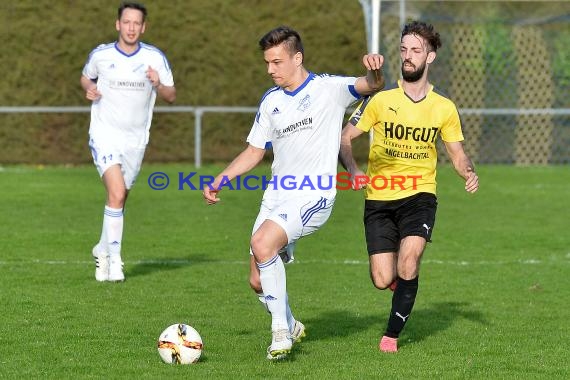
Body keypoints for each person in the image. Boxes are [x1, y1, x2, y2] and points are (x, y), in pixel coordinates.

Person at [202, 26, 384, 360]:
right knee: (257, 282)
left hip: (314, 195)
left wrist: (374, 69)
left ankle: (281, 335)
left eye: (277, 62)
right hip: (277, 196)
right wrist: (220, 179)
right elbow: (254, 152)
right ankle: (291, 322)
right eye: (267, 63)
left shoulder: (327, 88)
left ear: (296, 58)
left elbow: (370, 85)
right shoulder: (270, 102)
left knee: (261, 243)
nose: (270, 69)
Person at [339, 20, 479, 353]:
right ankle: (404, 287)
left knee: (408, 262)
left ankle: (391, 335)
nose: (408, 56)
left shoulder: (444, 107)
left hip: (420, 196)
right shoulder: (380, 101)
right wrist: (353, 168)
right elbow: (345, 137)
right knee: (382, 279)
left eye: (416, 50)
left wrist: (468, 171)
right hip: (379, 198)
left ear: (430, 56)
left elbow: (457, 154)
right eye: (403, 49)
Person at [80, 2, 176, 282]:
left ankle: (102, 249)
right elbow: (85, 78)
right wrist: (90, 89)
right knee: (117, 193)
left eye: (137, 23)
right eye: (127, 22)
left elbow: (171, 95)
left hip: (136, 140)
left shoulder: (154, 58)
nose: (131, 27)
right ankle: (115, 262)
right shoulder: (101, 54)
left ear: (143, 27)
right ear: (117, 24)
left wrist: (158, 83)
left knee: (119, 199)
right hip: (104, 134)